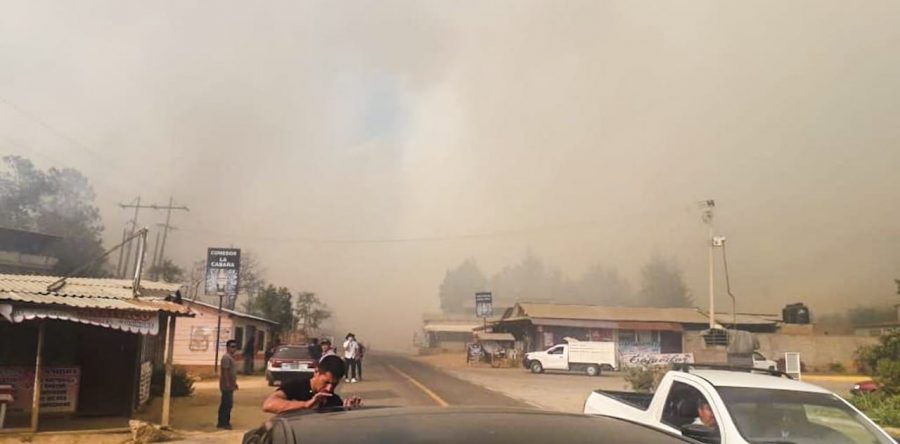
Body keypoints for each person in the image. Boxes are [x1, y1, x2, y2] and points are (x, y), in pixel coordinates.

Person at [262, 355, 362, 414]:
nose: (329, 388)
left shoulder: (334, 400)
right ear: (316, 372)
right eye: (326, 382)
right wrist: (306, 405)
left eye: (334, 384)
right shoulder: (295, 386)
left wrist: (347, 411)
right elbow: (268, 405)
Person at [218, 339, 240, 429]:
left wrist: (234, 383)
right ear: (227, 347)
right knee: (227, 404)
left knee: (227, 404)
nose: (233, 349)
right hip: (226, 385)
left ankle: (223, 422)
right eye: (232, 346)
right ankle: (224, 423)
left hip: (230, 384)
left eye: (235, 347)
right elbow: (225, 371)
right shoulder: (226, 357)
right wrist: (227, 383)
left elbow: (232, 372)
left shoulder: (231, 357)